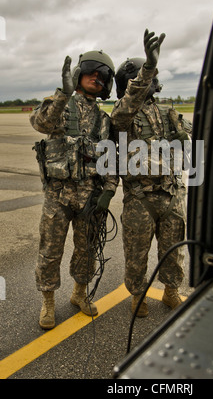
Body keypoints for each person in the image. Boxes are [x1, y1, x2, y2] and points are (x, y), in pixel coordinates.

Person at [30, 50, 118, 329]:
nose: (96, 77)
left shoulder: (105, 120)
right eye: (91, 70)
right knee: (50, 250)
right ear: (78, 74)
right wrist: (63, 94)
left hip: (91, 197)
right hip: (58, 196)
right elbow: (40, 123)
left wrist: (110, 190)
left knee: (87, 249)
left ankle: (79, 294)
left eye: (102, 74)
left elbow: (111, 158)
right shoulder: (60, 106)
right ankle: (48, 302)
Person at [111, 29, 192, 317]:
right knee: (136, 253)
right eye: (142, 78)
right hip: (140, 197)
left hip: (171, 194)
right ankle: (137, 296)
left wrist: (186, 139)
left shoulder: (168, 113)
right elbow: (124, 112)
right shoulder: (123, 114)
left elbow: (191, 142)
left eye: (151, 77)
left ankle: (171, 291)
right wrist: (147, 67)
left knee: (174, 250)